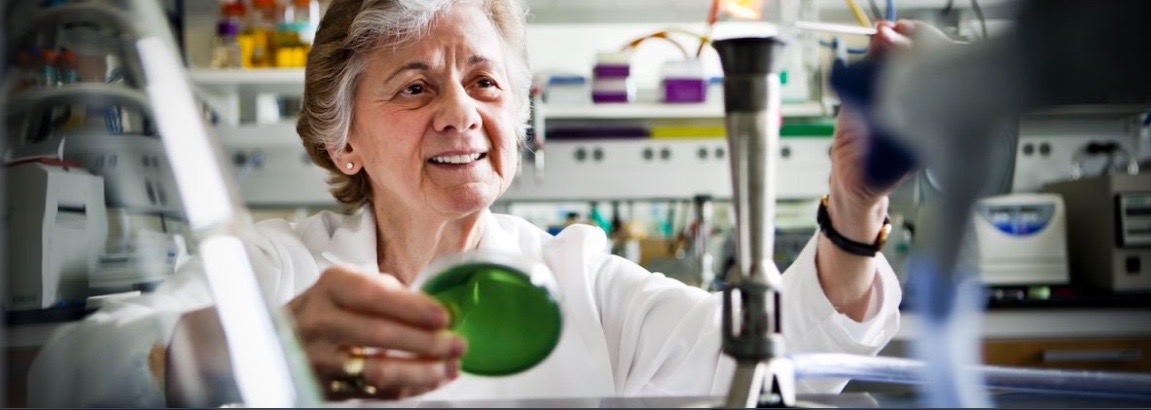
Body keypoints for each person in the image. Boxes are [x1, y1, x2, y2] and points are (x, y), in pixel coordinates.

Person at [28, 0, 925, 406]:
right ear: (342, 140)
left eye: (485, 82)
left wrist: (850, 204)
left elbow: (785, 353)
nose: (462, 111)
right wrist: (243, 349)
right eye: (415, 88)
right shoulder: (279, 268)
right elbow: (62, 377)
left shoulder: (578, 278)